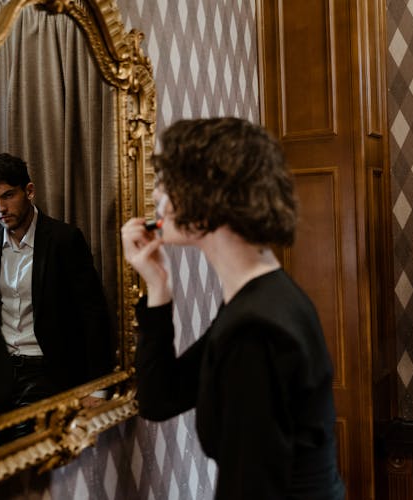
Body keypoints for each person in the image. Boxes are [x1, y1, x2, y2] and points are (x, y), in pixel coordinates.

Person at [121, 117, 345, 499]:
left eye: (169, 183)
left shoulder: (257, 328)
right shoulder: (256, 300)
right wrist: (158, 286)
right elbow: (160, 398)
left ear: (210, 203)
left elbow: (251, 488)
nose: (157, 194)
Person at [0, 153, 113, 420]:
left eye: (7, 196)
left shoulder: (64, 239)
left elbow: (93, 314)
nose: (0, 208)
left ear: (29, 191)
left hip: (46, 370)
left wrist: (99, 387)